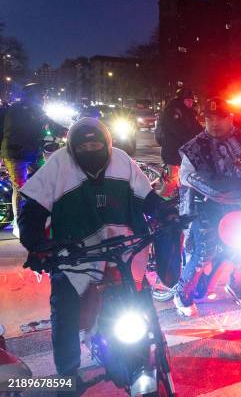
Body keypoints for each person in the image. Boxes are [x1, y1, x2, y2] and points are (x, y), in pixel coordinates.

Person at [17, 118, 171, 386]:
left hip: (123, 250)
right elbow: (31, 211)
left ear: (108, 144)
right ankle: (67, 374)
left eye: (96, 143)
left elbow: (147, 198)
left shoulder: (122, 161)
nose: (90, 149)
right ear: (73, 147)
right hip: (75, 255)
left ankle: (156, 344)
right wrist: (36, 245)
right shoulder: (58, 164)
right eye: (83, 145)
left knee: (142, 298)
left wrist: (166, 212)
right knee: (64, 311)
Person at [174, 97, 241, 317]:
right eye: (209, 118)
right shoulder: (194, 147)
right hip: (206, 207)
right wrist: (205, 185)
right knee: (204, 253)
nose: (214, 123)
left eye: (220, 117)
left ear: (230, 117)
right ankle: (182, 295)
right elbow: (185, 176)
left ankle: (238, 282)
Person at [0, 83, 67, 236]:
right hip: (16, 154)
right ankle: (19, 225)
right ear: (33, 95)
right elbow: (47, 124)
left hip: (31, 152)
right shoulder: (21, 109)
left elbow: (48, 125)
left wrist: (69, 132)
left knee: (46, 178)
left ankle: (41, 215)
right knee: (21, 187)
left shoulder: (30, 109)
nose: (43, 98)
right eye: (41, 95)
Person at [158, 88, 203, 197]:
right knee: (172, 181)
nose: (190, 102)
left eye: (191, 100)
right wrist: (194, 139)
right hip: (173, 152)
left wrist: (206, 136)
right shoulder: (173, 111)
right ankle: (156, 205)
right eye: (187, 100)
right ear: (181, 100)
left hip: (184, 152)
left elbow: (197, 128)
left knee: (185, 181)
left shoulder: (189, 112)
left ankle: (175, 206)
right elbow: (179, 131)